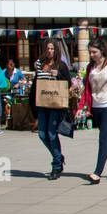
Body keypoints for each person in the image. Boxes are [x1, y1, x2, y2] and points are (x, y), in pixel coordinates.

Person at [81, 37, 107, 183]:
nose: (91, 55)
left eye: (94, 52)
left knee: (103, 139)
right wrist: (83, 106)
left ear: (101, 51)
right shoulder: (90, 67)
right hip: (95, 106)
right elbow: (87, 88)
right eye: (90, 52)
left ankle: (97, 172)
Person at [31, 38, 70, 180]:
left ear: (56, 50)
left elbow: (68, 83)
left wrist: (57, 75)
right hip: (42, 103)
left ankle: (56, 165)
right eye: (47, 49)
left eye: (52, 49)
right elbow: (36, 84)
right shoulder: (39, 64)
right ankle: (58, 156)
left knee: (51, 133)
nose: (49, 51)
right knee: (42, 134)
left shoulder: (60, 65)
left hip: (55, 104)